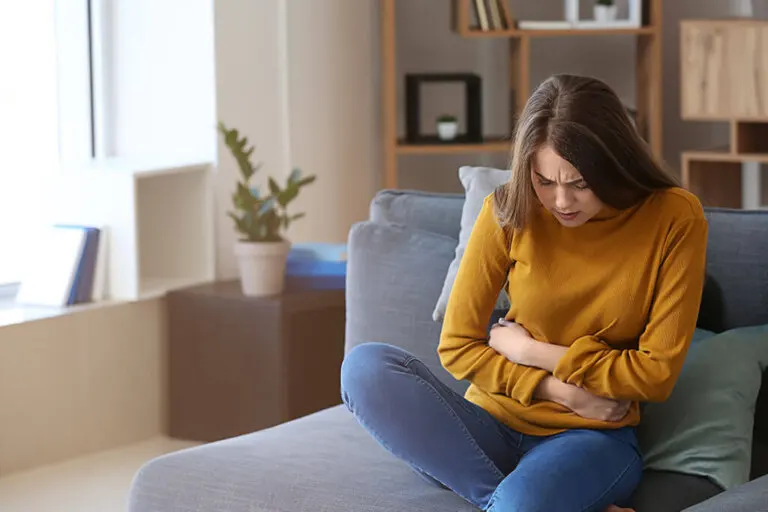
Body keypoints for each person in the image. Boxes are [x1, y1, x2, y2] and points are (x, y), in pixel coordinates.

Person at [340, 74, 708, 511]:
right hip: (488, 422)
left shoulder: (673, 218)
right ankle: (503, 498)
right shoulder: (506, 209)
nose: (560, 202)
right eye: (544, 181)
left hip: (591, 437)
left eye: (580, 184)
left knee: (522, 505)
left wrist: (533, 351)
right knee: (365, 367)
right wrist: (562, 391)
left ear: (615, 164)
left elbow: (655, 375)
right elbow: (457, 347)